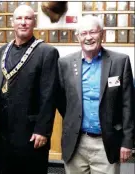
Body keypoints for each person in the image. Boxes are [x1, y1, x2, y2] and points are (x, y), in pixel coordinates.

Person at [57, 15, 134, 174]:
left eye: (93, 32)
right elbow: (61, 101)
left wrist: (127, 141)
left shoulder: (120, 62)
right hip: (76, 143)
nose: (88, 37)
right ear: (77, 37)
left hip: (106, 143)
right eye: (83, 33)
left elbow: (128, 105)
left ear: (102, 34)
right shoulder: (64, 63)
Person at [0, 5, 60, 174]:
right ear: (12, 22)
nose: (23, 23)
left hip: (31, 133)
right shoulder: (3, 50)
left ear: (34, 22)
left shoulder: (47, 52)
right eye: (19, 18)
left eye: (28, 18)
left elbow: (49, 95)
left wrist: (42, 130)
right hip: (4, 131)